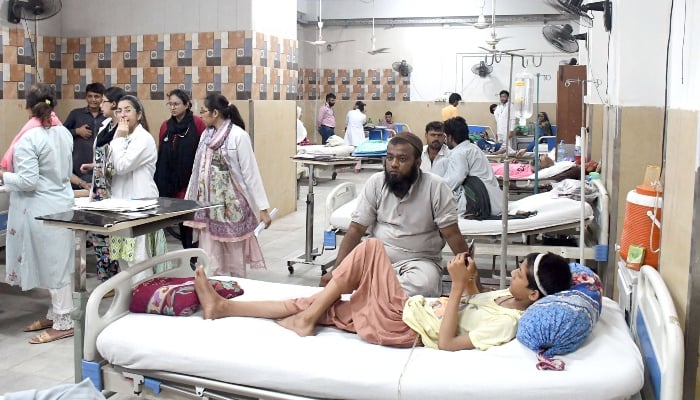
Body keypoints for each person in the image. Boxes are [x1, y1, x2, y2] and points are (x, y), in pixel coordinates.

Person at [194, 240, 572, 350]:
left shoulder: (508, 322)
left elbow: (445, 342)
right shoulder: (509, 298)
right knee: (309, 302)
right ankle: (222, 306)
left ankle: (308, 318)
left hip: (404, 325)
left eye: (520, 274)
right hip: (405, 311)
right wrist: (470, 281)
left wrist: (455, 287)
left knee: (372, 249)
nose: (512, 273)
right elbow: (475, 299)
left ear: (534, 296)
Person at [320, 132, 470, 297]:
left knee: (426, 286)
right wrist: (336, 270)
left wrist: (473, 283)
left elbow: (453, 235)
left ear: (418, 163)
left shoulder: (436, 187)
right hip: (376, 257)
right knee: (339, 280)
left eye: (402, 159)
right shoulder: (377, 182)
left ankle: (371, 290)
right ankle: (381, 291)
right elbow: (356, 229)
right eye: (390, 158)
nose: (394, 164)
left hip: (419, 261)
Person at [2, 83, 76, 344]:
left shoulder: (29, 138)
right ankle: (55, 314)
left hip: (43, 209)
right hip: (62, 203)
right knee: (58, 265)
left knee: (55, 268)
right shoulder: (63, 132)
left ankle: (64, 322)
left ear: (26, 107)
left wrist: (3, 176)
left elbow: (28, 181)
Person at [185, 94, 273, 277]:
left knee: (234, 261)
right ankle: (214, 294)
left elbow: (251, 174)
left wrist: (263, 208)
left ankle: (235, 294)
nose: (200, 115)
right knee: (210, 259)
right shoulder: (205, 136)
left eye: (203, 111)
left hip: (231, 209)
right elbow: (197, 170)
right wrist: (189, 202)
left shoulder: (238, 136)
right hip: (207, 209)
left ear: (215, 112)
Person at [108, 95, 167, 278]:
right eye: (119, 110)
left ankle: (142, 299)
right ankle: (128, 300)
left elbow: (123, 165)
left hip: (140, 205)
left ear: (139, 114)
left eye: (128, 110)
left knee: (139, 258)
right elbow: (112, 166)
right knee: (123, 257)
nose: (122, 115)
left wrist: (118, 138)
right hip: (120, 204)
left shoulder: (143, 138)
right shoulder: (122, 136)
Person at [78, 86, 126, 282]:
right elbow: (102, 154)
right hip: (99, 186)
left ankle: (121, 278)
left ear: (114, 104)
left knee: (119, 236)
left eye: (104, 100)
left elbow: (120, 160)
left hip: (116, 187)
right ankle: (105, 278)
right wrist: (93, 165)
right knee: (99, 235)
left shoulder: (124, 129)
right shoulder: (106, 125)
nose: (101, 104)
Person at [154, 89, 206, 260]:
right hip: (171, 179)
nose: (173, 107)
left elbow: (203, 149)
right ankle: (187, 253)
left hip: (192, 179)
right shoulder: (165, 126)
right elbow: (161, 152)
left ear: (186, 104)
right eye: (170, 104)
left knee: (192, 218)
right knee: (181, 219)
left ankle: (196, 254)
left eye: (176, 104)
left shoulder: (197, 123)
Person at [442, 116, 503, 218]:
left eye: (445, 136)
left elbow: (455, 179)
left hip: (482, 202)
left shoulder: (459, 153)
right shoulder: (473, 148)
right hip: (496, 200)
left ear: (450, 137)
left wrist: (437, 191)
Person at [63, 82, 106, 188]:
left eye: (97, 97)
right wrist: (77, 131)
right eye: (90, 96)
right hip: (78, 169)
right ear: (86, 97)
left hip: (101, 167)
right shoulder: (76, 114)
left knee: (99, 198)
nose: (93, 100)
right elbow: (61, 133)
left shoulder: (106, 116)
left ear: (102, 98)